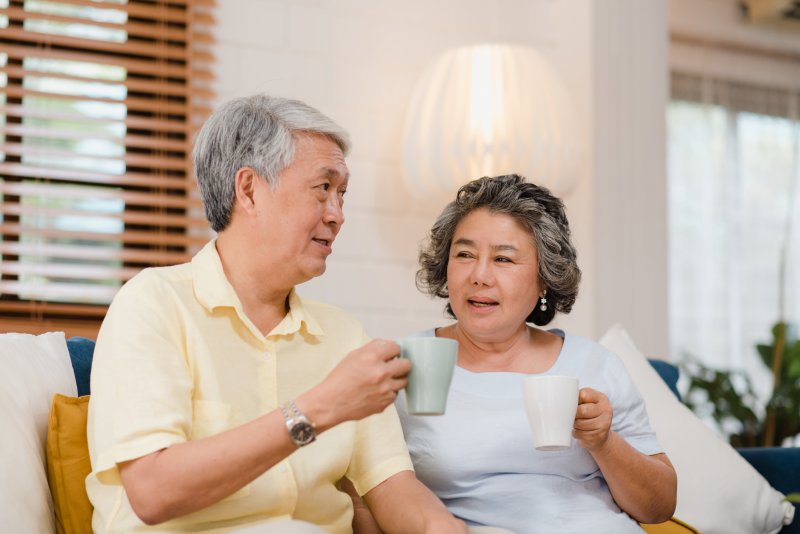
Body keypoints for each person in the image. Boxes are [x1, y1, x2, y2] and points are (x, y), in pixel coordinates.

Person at [85, 94, 470, 534]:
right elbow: (153, 492)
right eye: (323, 188)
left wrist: (441, 527)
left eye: (342, 194)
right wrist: (318, 408)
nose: (337, 215)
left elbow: (391, 484)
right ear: (249, 190)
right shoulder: (154, 304)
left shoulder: (342, 335)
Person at [396, 174, 678, 534]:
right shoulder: (407, 364)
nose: (480, 275)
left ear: (545, 277)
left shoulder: (595, 364)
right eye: (464, 254)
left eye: (504, 259)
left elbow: (660, 507)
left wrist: (604, 443)